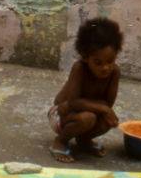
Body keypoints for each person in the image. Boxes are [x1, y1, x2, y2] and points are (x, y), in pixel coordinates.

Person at [49, 17, 122, 162]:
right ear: (85, 57)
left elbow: (107, 104)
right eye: (98, 62)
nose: (105, 68)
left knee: (107, 120)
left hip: (87, 112)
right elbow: (73, 102)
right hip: (61, 114)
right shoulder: (79, 68)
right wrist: (103, 109)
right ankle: (60, 141)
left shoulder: (114, 73)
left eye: (110, 61)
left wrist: (105, 110)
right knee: (88, 118)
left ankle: (83, 140)